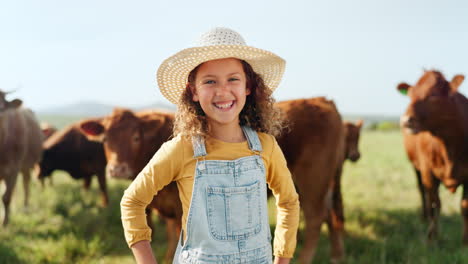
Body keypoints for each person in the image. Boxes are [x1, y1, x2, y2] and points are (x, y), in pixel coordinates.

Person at [121, 27, 300, 264]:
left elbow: (288, 201)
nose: (222, 91)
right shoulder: (182, 149)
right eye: (210, 81)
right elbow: (132, 202)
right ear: (193, 91)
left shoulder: (265, 147)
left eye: (233, 79)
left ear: (248, 86)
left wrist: (282, 258)